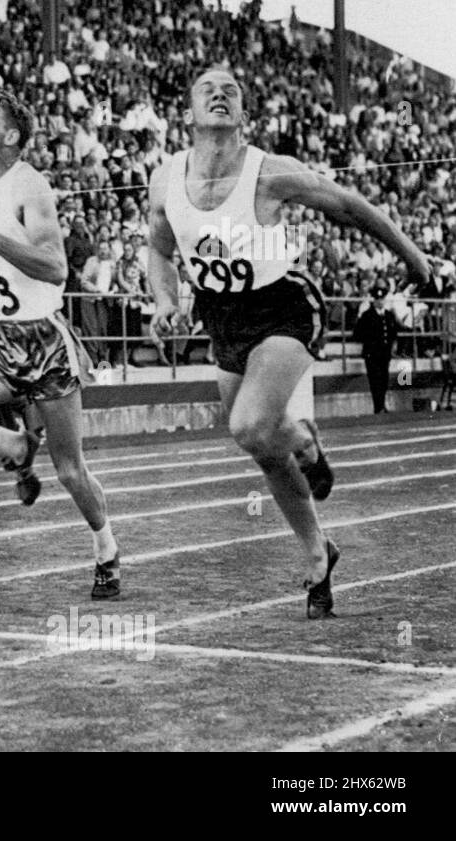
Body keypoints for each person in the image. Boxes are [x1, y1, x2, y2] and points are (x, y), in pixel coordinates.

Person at [148, 69, 431, 619]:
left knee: (250, 424)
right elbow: (159, 249)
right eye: (208, 88)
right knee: (260, 445)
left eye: (233, 88)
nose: (221, 93)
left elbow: (348, 205)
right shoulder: (165, 179)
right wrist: (163, 302)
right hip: (222, 317)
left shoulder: (269, 171)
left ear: (244, 114)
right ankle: (317, 547)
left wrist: (413, 256)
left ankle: (301, 439)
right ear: (187, 113)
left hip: (283, 306)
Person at [0, 89, 121, 600]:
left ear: (11, 137)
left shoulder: (30, 185)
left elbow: (56, 268)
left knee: (70, 470)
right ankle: (13, 443)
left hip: (41, 338)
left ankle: (106, 549)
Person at [353, 285, 400, 414]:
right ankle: (377, 406)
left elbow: (393, 332)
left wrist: (392, 344)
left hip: (384, 353)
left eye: (382, 299)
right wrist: (370, 341)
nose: (380, 302)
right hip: (372, 353)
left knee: (384, 379)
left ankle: (382, 404)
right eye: (378, 299)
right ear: (373, 300)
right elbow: (357, 334)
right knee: (374, 379)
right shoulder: (367, 315)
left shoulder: (388, 315)